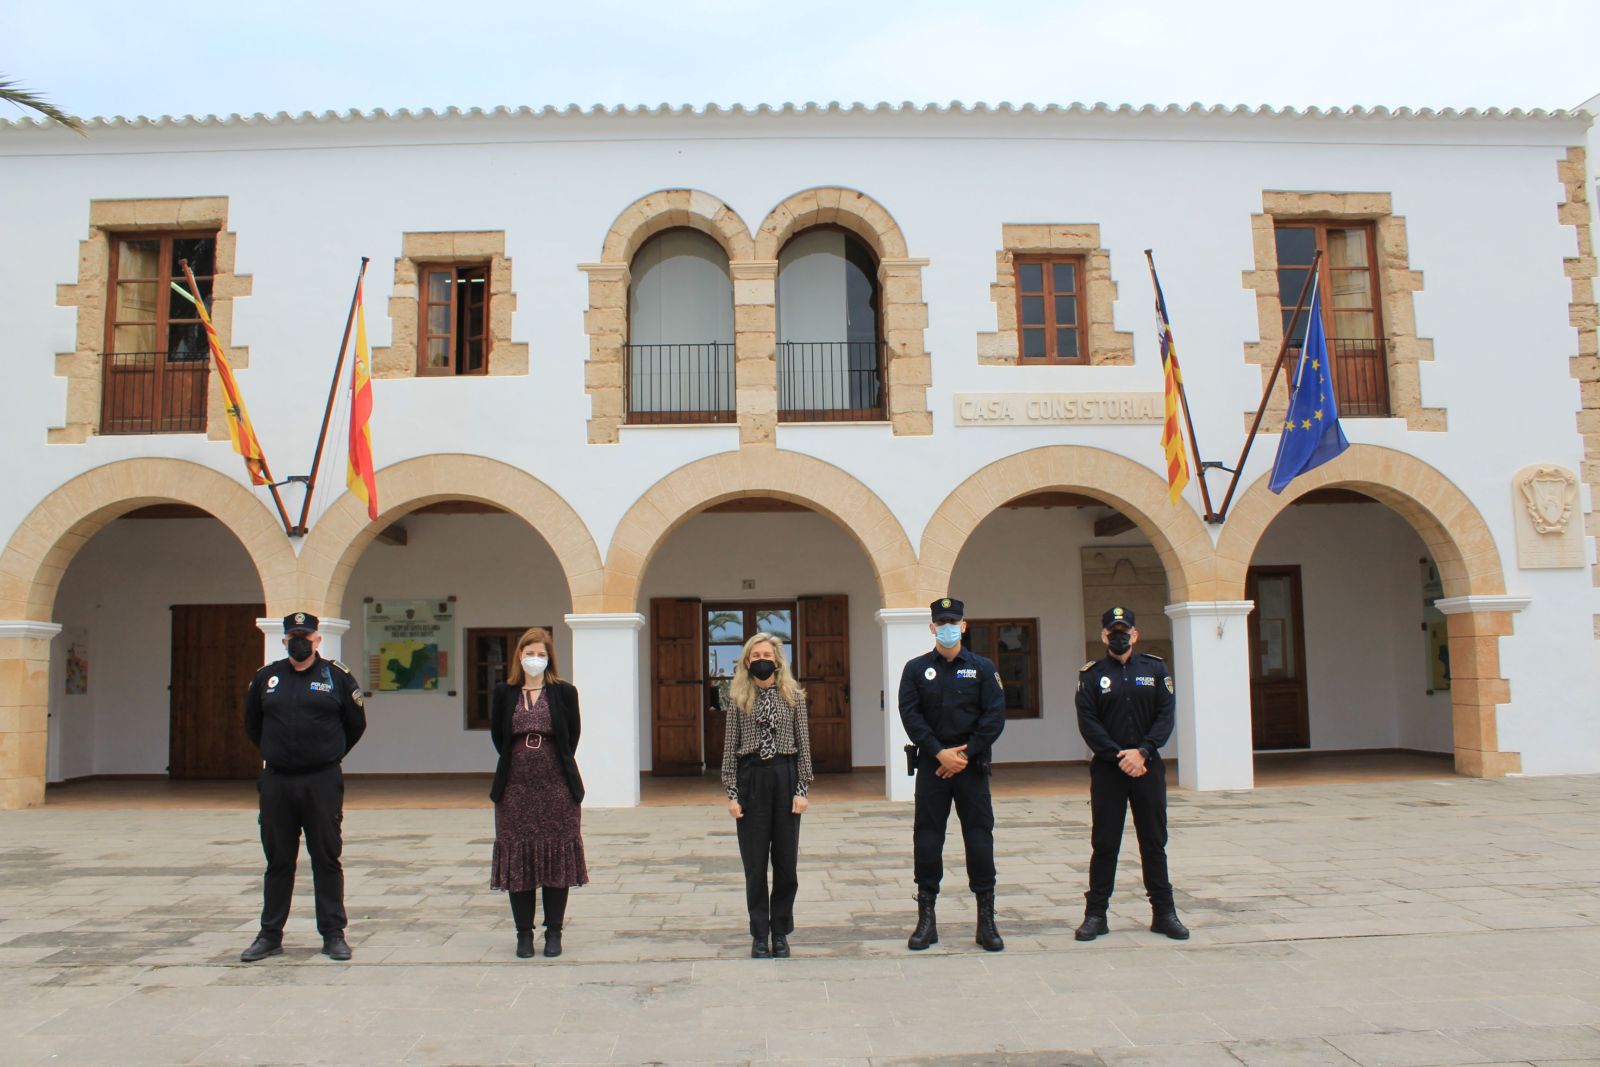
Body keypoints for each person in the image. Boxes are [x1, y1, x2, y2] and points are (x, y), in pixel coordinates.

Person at [240, 612, 367, 963]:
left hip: (321, 780)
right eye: (293, 636)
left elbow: (355, 724)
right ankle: (270, 935)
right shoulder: (267, 678)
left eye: (306, 636)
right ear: (284, 641)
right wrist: (277, 753)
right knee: (278, 859)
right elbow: (253, 724)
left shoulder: (337, 677)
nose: (300, 641)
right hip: (278, 780)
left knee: (326, 856)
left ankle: (333, 933)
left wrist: (328, 753)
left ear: (317, 640)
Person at [897, 597, 1007, 952]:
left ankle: (986, 920)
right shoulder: (915, 669)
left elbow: (994, 716)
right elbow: (910, 715)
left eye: (952, 621)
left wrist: (965, 753)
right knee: (927, 839)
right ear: (931, 628)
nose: (946, 627)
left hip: (971, 767)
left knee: (979, 838)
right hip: (932, 766)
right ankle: (926, 919)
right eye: (940, 622)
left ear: (964, 625)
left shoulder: (983, 667)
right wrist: (939, 752)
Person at [1073, 606, 1189, 941]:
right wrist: (1117, 755)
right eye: (1113, 631)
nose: (1119, 636)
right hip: (1109, 770)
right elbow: (1088, 722)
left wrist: (1143, 751)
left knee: (1154, 842)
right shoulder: (1091, 675)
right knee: (1105, 843)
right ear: (1104, 635)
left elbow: (1165, 715)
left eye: (1125, 631)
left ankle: (1164, 913)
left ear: (1135, 635)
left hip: (1147, 767)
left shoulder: (1155, 669)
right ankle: (1096, 915)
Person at [490, 627, 589, 958]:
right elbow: (497, 737)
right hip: (515, 786)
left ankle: (555, 931)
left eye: (541, 654)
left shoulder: (564, 692)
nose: (535, 659)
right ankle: (523, 933)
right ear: (520, 655)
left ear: (550, 658)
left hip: (556, 785)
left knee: (556, 854)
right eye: (530, 653)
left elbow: (571, 737)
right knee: (519, 855)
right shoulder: (505, 692)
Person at [721, 632, 814, 959]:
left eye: (767, 654)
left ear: (777, 660)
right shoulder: (738, 699)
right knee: (755, 865)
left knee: (786, 864)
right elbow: (729, 751)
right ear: (747, 661)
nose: (762, 659)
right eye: (756, 654)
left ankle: (781, 931)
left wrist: (802, 789)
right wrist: (733, 795)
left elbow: (804, 746)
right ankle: (760, 934)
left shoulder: (794, 696)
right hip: (752, 779)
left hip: (785, 777)